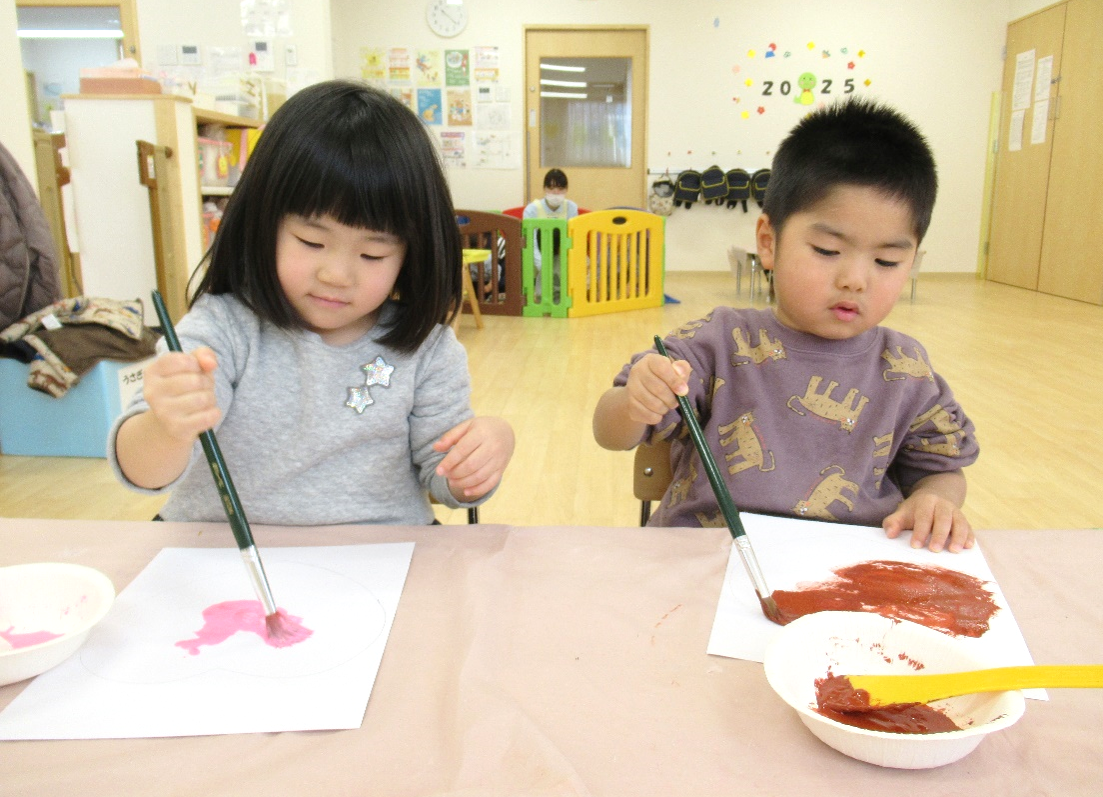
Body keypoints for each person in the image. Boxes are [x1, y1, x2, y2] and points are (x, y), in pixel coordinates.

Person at [110, 79, 515, 525]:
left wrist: (481, 455)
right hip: (229, 565)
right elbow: (142, 472)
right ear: (264, 225)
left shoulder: (427, 349)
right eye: (310, 241)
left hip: (379, 561)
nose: (336, 274)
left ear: (410, 253)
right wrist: (166, 427)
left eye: (372, 254)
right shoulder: (223, 329)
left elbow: (446, 484)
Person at [593, 98, 977, 552]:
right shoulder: (718, 342)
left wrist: (936, 499)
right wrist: (636, 401)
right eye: (827, 251)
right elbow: (610, 431)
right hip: (707, 566)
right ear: (768, 242)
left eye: (887, 260)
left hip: (847, 573)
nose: (855, 279)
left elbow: (940, 467)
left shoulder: (905, 368)